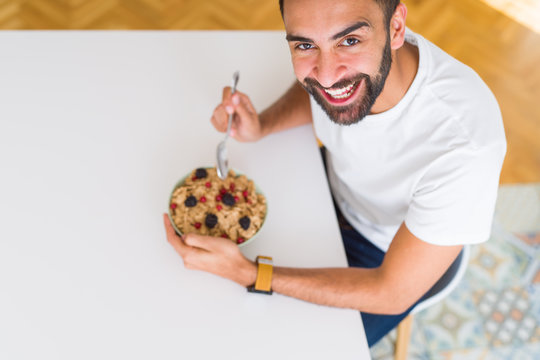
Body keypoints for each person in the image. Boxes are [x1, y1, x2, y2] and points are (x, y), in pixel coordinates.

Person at [163, 0, 506, 346]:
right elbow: (324, 92)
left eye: (349, 41)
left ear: (396, 28)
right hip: (333, 192)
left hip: (388, 255)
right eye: (305, 45)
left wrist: (252, 275)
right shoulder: (354, 64)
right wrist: (263, 125)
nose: (326, 74)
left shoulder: (466, 146)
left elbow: (391, 292)